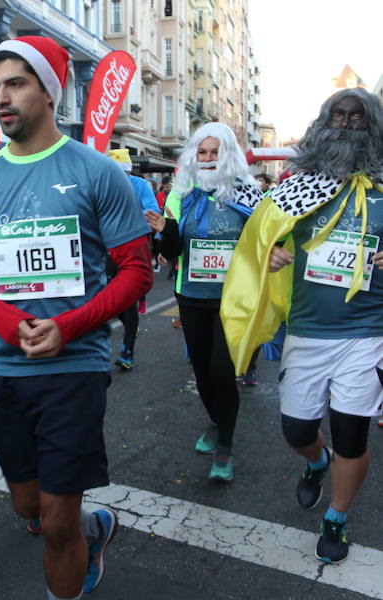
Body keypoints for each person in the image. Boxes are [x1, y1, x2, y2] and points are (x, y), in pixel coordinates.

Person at [0, 36, 154, 598]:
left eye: (15, 83)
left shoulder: (96, 171)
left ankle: (75, 542)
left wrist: (68, 326)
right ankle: (94, 528)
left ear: (48, 90)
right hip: (4, 367)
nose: (2, 98)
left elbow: (137, 271)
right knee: (30, 507)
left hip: (74, 368)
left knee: (56, 524)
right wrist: (9, 325)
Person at [221, 87, 383, 564]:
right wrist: (268, 253)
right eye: (339, 115)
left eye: (358, 117)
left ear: (373, 127)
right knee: (296, 429)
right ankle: (317, 462)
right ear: (323, 123)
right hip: (308, 333)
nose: (347, 123)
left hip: (367, 333)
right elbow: (256, 241)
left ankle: (336, 517)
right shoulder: (296, 187)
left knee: (353, 433)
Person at [144, 122, 262, 482]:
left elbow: (262, 243)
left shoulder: (249, 194)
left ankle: (225, 445)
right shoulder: (182, 193)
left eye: (215, 152)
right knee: (201, 372)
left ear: (228, 155)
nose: (208, 159)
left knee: (222, 372)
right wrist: (164, 232)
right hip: (192, 296)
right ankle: (215, 420)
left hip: (233, 299)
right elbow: (172, 253)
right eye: (203, 152)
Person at [108, 148, 161, 370]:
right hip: (105, 252)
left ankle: (127, 351)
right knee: (107, 300)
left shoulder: (140, 186)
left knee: (127, 302)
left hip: (131, 251)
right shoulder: (101, 185)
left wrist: (127, 218)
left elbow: (153, 211)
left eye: (123, 173)